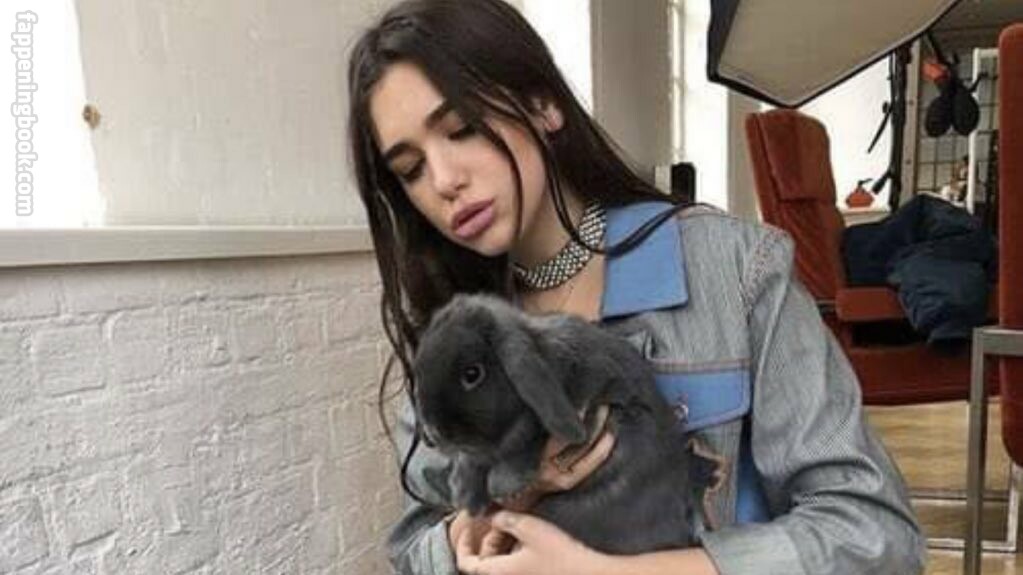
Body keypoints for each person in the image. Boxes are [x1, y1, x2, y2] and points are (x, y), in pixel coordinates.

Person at [346, 1, 926, 574]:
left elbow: (873, 534)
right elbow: (416, 544)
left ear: (543, 104)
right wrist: (508, 499)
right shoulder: (450, 336)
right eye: (410, 169)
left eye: (462, 128)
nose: (444, 181)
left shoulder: (733, 269)